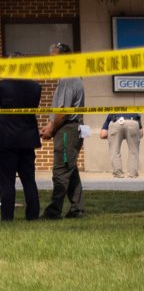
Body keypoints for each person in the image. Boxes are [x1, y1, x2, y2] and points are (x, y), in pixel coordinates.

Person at [0, 71, 43, 221]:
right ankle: (33, 215)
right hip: (27, 140)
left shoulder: (2, 86)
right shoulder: (35, 87)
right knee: (29, 180)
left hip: (6, 139)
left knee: (7, 182)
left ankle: (7, 217)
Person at [43, 51, 87, 219]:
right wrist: (49, 125)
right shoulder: (71, 78)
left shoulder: (68, 79)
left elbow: (63, 112)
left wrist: (52, 129)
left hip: (67, 130)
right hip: (70, 128)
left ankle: (53, 211)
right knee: (70, 169)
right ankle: (77, 209)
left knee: (61, 171)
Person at [107, 88, 142, 179]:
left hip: (115, 122)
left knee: (115, 150)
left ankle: (118, 174)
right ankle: (132, 174)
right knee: (133, 151)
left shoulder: (111, 113)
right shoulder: (135, 112)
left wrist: (115, 136)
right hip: (133, 123)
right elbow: (141, 133)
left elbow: (102, 134)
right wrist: (130, 136)